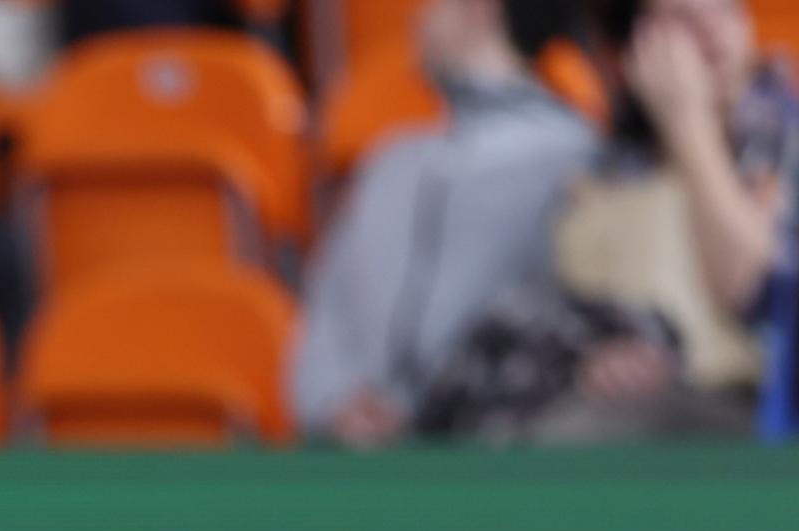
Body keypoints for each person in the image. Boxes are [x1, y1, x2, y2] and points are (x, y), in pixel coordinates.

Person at [417, 0, 798, 442]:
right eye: (682, 20)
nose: (713, 32)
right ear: (631, 50)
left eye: (724, 9)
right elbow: (559, 307)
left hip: (753, 422)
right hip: (619, 402)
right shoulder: (606, 170)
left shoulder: (782, 137)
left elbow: (758, 289)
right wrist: (593, 355)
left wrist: (689, 123)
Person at [290, 0, 597, 447]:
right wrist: (336, 400)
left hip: (503, 463)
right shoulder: (390, 162)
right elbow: (328, 309)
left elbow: (580, 323)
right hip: (362, 468)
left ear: (482, 10)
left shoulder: (577, 158)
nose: (419, 18)